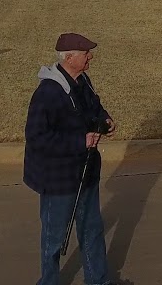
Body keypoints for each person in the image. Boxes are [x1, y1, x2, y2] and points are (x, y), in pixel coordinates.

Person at [25, 33, 117, 285]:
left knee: (92, 231)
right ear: (69, 57)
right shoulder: (47, 93)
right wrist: (80, 141)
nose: (90, 57)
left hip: (85, 173)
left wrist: (104, 120)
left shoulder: (83, 81)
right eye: (85, 53)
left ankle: (98, 281)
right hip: (58, 180)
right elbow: (36, 137)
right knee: (54, 238)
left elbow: (94, 106)